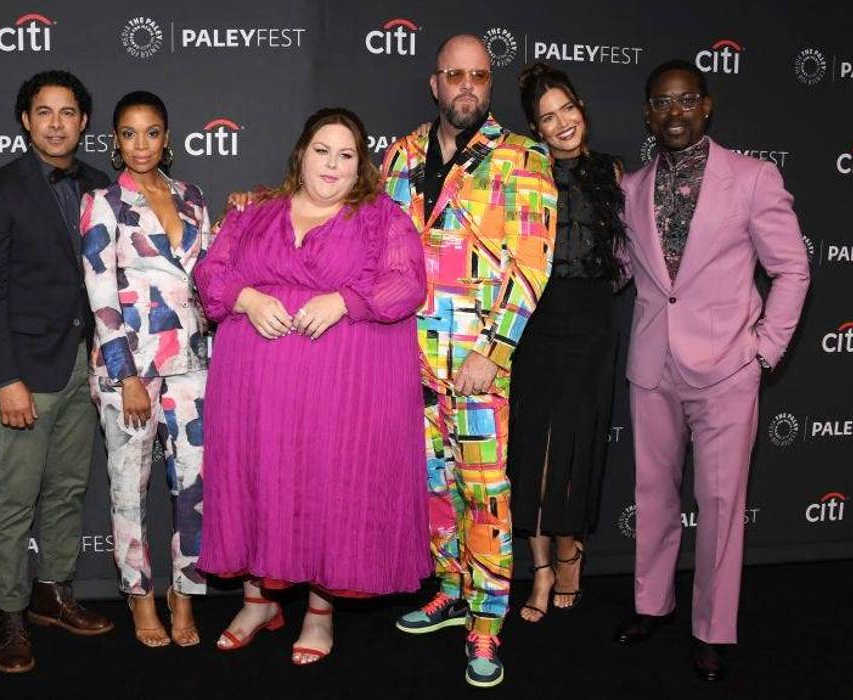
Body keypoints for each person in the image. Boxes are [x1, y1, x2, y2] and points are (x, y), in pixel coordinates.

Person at [196, 107, 429, 666]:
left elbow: (407, 284)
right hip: (254, 387)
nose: (332, 164)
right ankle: (257, 602)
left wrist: (344, 300)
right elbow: (211, 274)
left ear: (360, 166)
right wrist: (248, 299)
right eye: (322, 150)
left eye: (346, 154)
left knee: (328, 487)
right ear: (301, 154)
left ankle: (319, 613)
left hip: (339, 391)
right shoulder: (254, 213)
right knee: (256, 478)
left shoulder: (381, 218)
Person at [613, 59, 809, 682]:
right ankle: (652, 603)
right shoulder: (630, 187)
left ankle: (712, 630)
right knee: (652, 495)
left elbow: (792, 269)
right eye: (661, 103)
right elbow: (620, 272)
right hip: (651, 365)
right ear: (648, 114)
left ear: (707, 106)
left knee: (722, 503)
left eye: (686, 100)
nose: (674, 112)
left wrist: (764, 348)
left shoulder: (752, 179)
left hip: (727, 367)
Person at [382, 34, 557, 688]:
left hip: (480, 363)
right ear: (434, 84)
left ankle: (485, 624)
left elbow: (530, 265)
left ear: (489, 84)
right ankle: (451, 591)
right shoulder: (398, 155)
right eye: (453, 74)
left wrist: (496, 348)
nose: (464, 85)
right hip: (408, 363)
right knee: (431, 489)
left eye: (477, 76)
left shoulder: (521, 157)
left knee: (483, 495)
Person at [0, 70, 114, 674]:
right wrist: (4, 378)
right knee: (14, 500)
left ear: (84, 122)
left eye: (68, 113)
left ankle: (53, 592)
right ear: (26, 121)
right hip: (26, 374)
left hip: (83, 367)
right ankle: (8, 612)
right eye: (44, 112)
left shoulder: (102, 186)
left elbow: (109, 278)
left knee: (67, 491)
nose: (56, 123)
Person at [80, 90, 211, 648]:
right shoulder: (102, 202)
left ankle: (186, 595)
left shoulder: (194, 198)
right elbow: (100, 293)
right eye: (128, 133)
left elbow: (210, 276)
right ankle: (139, 598)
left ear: (166, 137)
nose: (140, 144)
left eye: (151, 132)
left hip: (192, 365)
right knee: (128, 489)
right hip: (128, 369)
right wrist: (127, 374)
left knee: (194, 488)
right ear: (115, 140)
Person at [508, 63, 626, 623]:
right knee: (533, 448)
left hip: (593, 319)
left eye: (567, 110)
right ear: (535, 128)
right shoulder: (524, 173)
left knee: (579, 443)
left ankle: (570, 551)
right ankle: (541, 570)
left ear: (581, 108)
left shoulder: (613, 171)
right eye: (547, 117)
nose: (561, 124)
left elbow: (631, 256)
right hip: (536, 318)